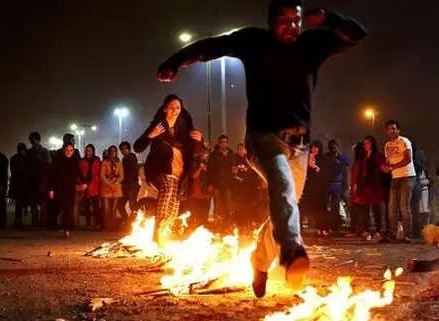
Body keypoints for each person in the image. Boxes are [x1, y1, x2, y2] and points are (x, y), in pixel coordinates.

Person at [156, 0, 366, 297]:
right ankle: (292, 250)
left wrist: (330, 18)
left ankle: (259, 260)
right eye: (283, 19)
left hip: (301, 147)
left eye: (296, 19)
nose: (291, 25)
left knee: (286, 205)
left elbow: (358, 34)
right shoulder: (253, 41)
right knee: (281, 185)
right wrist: (175, 62)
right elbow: (212, 46)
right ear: (271, 20)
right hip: (263, 139)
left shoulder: (312, 44)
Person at [133, 94, 204, 247]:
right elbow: (138, 146)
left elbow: (197, 151)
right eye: (171, 107)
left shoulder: (184, 129)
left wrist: (201, 140)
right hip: (158, 170)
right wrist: (151, 135)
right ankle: (157, 232)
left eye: (178, 108)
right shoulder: (159, 126)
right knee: (167, 187)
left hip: (177, 173)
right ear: (165, 109)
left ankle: (163, 232)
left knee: (173, 206)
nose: (175, 110)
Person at [383, 120, 416, 243]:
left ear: (398, 130)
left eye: (394, 129)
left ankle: (408, 235)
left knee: (404, 207)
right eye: (389, 129)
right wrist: (385, 167)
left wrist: (392, 167)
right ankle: (392, 234)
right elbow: (388, 161)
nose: (391, 131)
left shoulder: (404, 141)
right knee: (392, 207)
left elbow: (407, 159)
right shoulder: (387, 145)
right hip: (395, 177)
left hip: (407, 176)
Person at [354, 136, 386, 241]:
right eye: (364, 144)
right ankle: (366, 230)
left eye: (368, 143)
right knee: (365, 209)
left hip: (374, 185)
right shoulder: (363, 156)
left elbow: (383, 168)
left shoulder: (377, 155)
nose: (366, 146)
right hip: (365, 185)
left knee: (377, 208)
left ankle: (378, 231)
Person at [49, 144, 83, 238]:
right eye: (67, 150)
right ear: (64, 150)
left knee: (69, 210)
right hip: (59, 189)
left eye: (71, 150)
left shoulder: (74, 162)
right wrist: (51, 189)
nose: (69, 152)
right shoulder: (58, 162)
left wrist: (84, 183)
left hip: (70, 189)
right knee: (61, 209)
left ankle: (67, 230)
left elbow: (78, 173)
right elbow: (53, 176)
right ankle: (62, 228)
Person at [301, 140, 328, 236]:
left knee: (320, 209)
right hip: (309, 187)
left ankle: (323, 228)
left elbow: (324, 172)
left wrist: (314, 166)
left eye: (316, 148)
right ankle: (316, 227)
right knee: (309, 209)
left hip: (320, 188)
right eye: (312, 148)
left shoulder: (323, 159)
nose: (314, 150)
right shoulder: (307, 158)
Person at [324, 139, 351, 234]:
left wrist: (339, 154)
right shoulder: (327, 157)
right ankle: (333, 225)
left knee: (343, 204)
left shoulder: (340, 157)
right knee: (333, 206)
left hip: (340, 184)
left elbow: (348, 162)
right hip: (330, 184)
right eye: (332, 146)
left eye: (335, 146)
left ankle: (344, 224)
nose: (334, 148)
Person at [26, 131, 51, 228]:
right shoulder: (29, 153)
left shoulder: (44, 152)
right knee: (33, 205)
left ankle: (43, 223)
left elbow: (49, 166)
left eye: (35, 140)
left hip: (42, 182)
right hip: (32, 182)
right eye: (32, 140)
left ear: (38, 140)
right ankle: (35, 223)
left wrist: (45, 180)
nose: (33, 142)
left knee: (43, 205)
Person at [78, 144, 102, 229]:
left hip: (94, 185)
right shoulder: (82, 161)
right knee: (86, 206)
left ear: (93, 151)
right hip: (84, 186)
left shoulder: (97, 160)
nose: (88, 152)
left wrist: (94, 182)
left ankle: (98, 223)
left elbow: (98, 173)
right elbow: (80, 173)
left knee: (95, 206)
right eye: (87, 151)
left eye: (90, 151)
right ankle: (88, 224)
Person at [100, 145, 123, 231]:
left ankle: (112, 227)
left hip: (116, 189)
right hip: (106, 188)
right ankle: (106, 226)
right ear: (109, 152)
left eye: (114, 151)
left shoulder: (119, 162)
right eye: (111, 151)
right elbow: (102, 175)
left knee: (114, 209)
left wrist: (115, 182)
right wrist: (110, 184)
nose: (113, 152)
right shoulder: (104, 162)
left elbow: (121, 176)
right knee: (106, 209)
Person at [117, 141, 140, 223]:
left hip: (132, 185)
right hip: (126, 186)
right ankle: (128, 221)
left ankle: (135, 223)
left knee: (133, 205)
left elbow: (132, 170)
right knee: (120, 204)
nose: (124, 150)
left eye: (126, 148)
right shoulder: (124, 159)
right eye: (122, 149)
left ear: (129, 149)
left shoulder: (132, 157)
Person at [10, 143, 29, 228]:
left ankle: (18, 221)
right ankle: (18, 222)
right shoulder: (16, 158)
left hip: (24, 183)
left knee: (22, 204)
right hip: (20, 184)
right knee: (19, 204)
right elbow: (13, 171)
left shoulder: (27, 158)